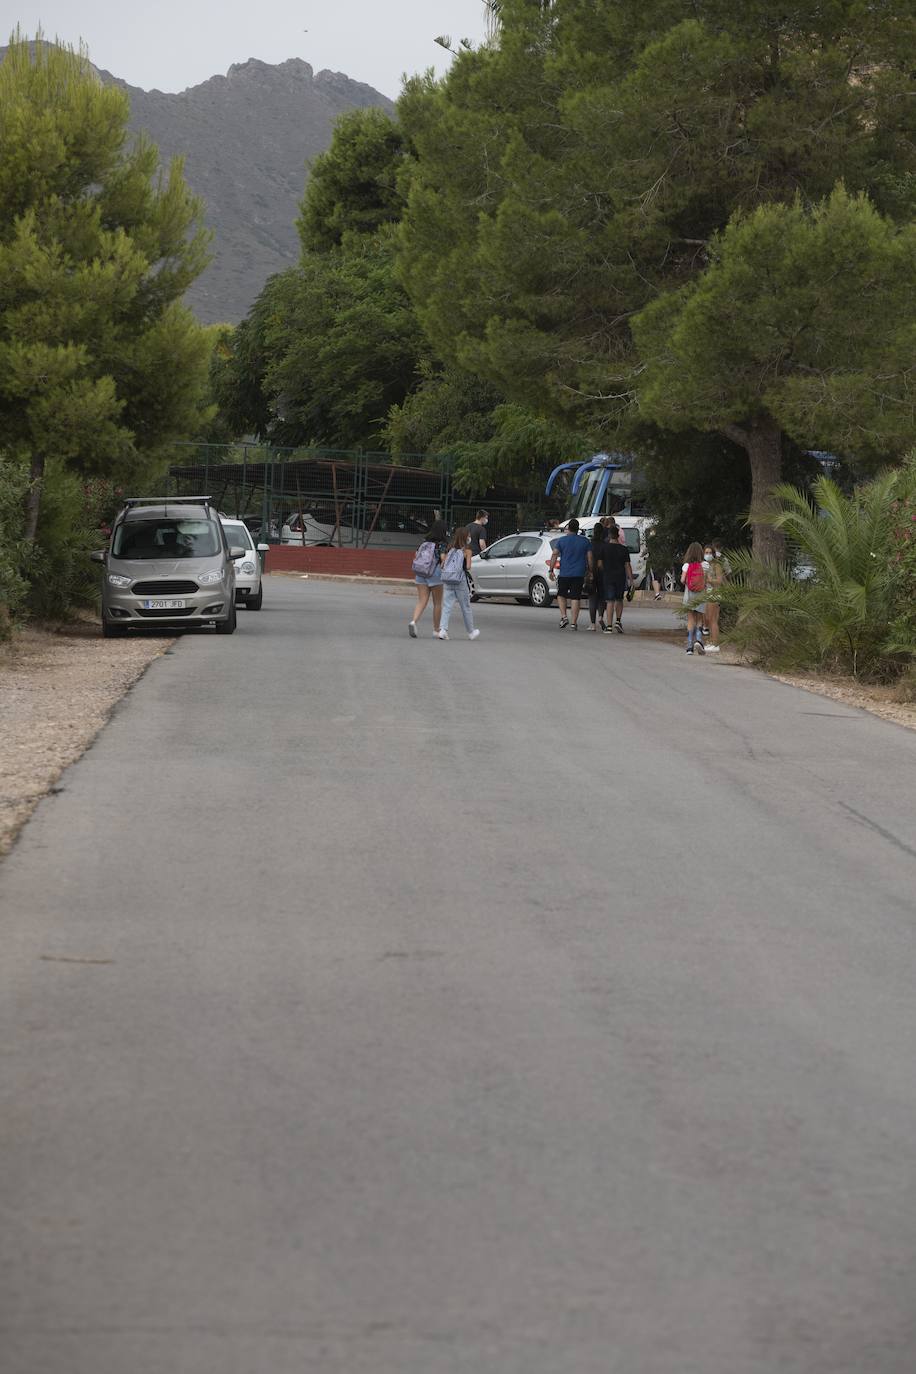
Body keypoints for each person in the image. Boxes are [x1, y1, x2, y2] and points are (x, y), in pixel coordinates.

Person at [437, 527, 480, 640]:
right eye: (469, 535)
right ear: (466, 537)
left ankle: (442, 630)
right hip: (460, 580)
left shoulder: (450, 548)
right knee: (465, 606)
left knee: (446, 605)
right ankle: (471, 632)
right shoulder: (467, 550)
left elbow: (442, 565)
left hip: (448, 579)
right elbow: (468, 566)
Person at [548, 518, 591, 629]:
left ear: (568, 528)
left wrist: (551, 569)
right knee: (575, 598)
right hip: (579, 574)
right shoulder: (585, 541)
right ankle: (573, 623)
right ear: (577, 529)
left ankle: (564, 616)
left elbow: (554, 554)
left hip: (564, 573)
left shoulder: (562, 541)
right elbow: (590, 558)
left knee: (561, 595)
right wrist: (590, 570)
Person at [408, 519, 448, 638]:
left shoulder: (424, 542)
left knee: (421, 600)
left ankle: (413, 621)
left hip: (421, 573)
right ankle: (436, 630)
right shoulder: (441, 543)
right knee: (437, 603)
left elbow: (416, 555)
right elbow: (443, 559)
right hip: (435, 574)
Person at [601, 523, 634, 632]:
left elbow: (600, 564)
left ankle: (609, 626)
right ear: (618, 535)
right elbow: (627, 565)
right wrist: (631, 580)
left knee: (610, 601)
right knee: (619, 599)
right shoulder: (623, 549)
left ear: (609, 535)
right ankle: (618, 621)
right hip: (620, 577)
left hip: (608, 576)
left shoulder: (604, 548)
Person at [681, 541, 707, 655]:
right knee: (700, 619)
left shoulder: (686, 565)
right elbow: (707, 580)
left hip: (689, 595)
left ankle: (689, 646)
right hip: (701, 595)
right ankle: (699, 640)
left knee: (690, 619)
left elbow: (682, 580)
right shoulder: (705, 565)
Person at [586, 523, 608, 631]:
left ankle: (592, 623)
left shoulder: (590, 544)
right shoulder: (605, 544)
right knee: (601, 597)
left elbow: (588, 558)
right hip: (603, 573)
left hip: (592, 572)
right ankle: (601, 616)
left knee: (592, 597)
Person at [703, 542, 724, 652]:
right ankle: (712, 641)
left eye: (710, 552)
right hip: (708, 594)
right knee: (708, 619)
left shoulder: (717, 566)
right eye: (706, 552)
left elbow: (719, 580)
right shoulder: (706, 565)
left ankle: (715, 644)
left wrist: (709, 580)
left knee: (713, 619)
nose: (708, 554)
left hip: (714, 594)